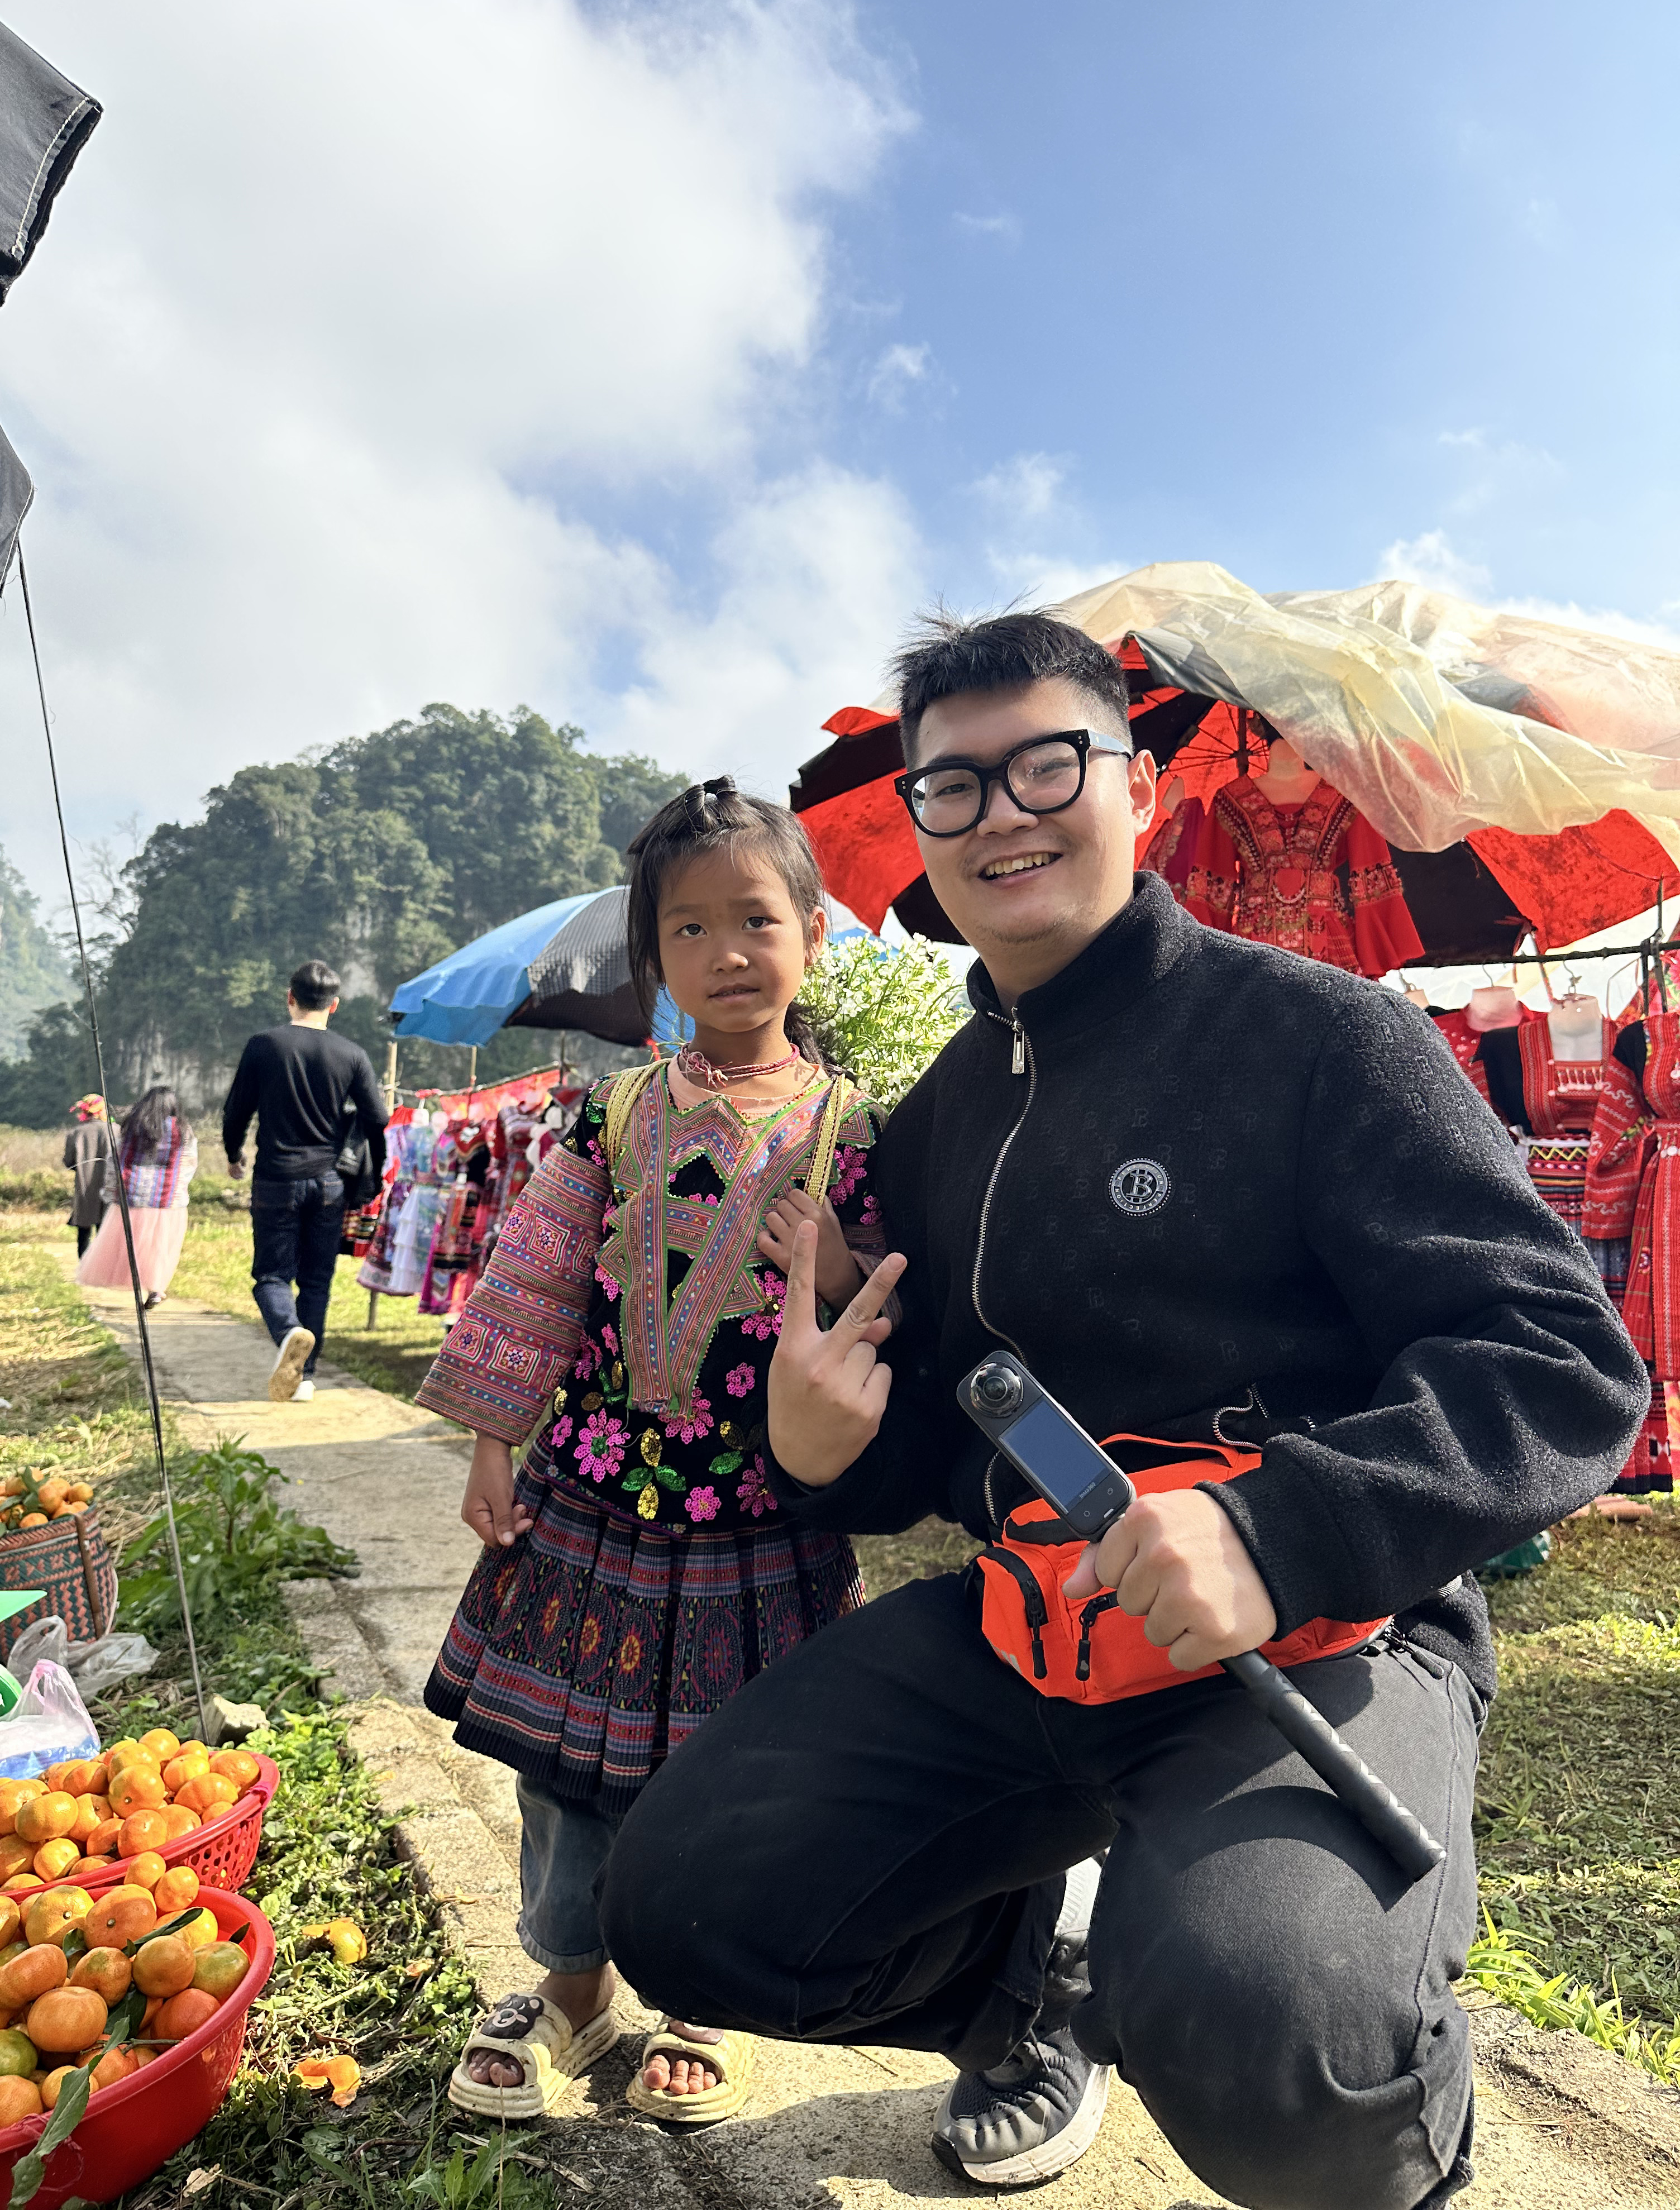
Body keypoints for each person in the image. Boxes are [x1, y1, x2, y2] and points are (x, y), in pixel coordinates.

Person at [597, 612, 1649, 2208]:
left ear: (1138, 790)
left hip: (1323, 1636)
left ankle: (1391, 2148)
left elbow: (1564, 1360)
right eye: (954, 786)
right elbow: (947, 1435)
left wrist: (1277, 1531)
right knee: (686, 1908)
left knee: (1268, 2029)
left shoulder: (1322, 1038)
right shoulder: (934, 1125)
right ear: (921, 825)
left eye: (1048, 766)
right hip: (1040, 1623)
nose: (1002, 813)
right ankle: (1031, 2001)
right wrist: (828, 1452)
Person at [415, 781, 890, 2127]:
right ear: (654, 960)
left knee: (731, 1765)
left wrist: (837, 1266)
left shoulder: (853, 1130)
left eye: (757, 920)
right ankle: (573, 1987)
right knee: (564, 1763)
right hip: (590, 1496)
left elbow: (886, 1314)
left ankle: (699, 1993)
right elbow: (534, 1280)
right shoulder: (612, 1114)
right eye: (690, 929)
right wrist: (494, 1443)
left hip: (762, 1511)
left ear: (812, 934)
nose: (727, 953)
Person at [222, 961, 388, 1403]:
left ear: (289, 997)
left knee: (272, 1275)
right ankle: (306, 1377)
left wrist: (234, 1154)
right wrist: (374, 1176)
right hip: (330, 1183)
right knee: (316, 1279)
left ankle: (288, 1331)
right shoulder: (352, 1054)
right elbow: (377, 1118)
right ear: (334, 1005)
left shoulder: (264, 1045)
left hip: (277, 1178)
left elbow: (236, 1111)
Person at [75, 1086, 197, 1306]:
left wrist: (111, 1192)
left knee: (133, 1245)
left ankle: (140, 1282)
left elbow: (115, 1160)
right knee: (160, 1246)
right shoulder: (183, 1130)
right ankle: (156, 1289)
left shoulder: (132, 1128)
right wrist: (179, 1191)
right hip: (169, 1200)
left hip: (132, 1197)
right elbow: (188, 1164)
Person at [61, 1094, 112, 1258]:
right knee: (105, 1230)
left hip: (84, 1187)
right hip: (110, 1188)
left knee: (84, 1230)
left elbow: (69, 1162)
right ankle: (103, 1264)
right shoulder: (116, 1131)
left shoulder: (75, 1133)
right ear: (102, 1110)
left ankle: (84, 1265)